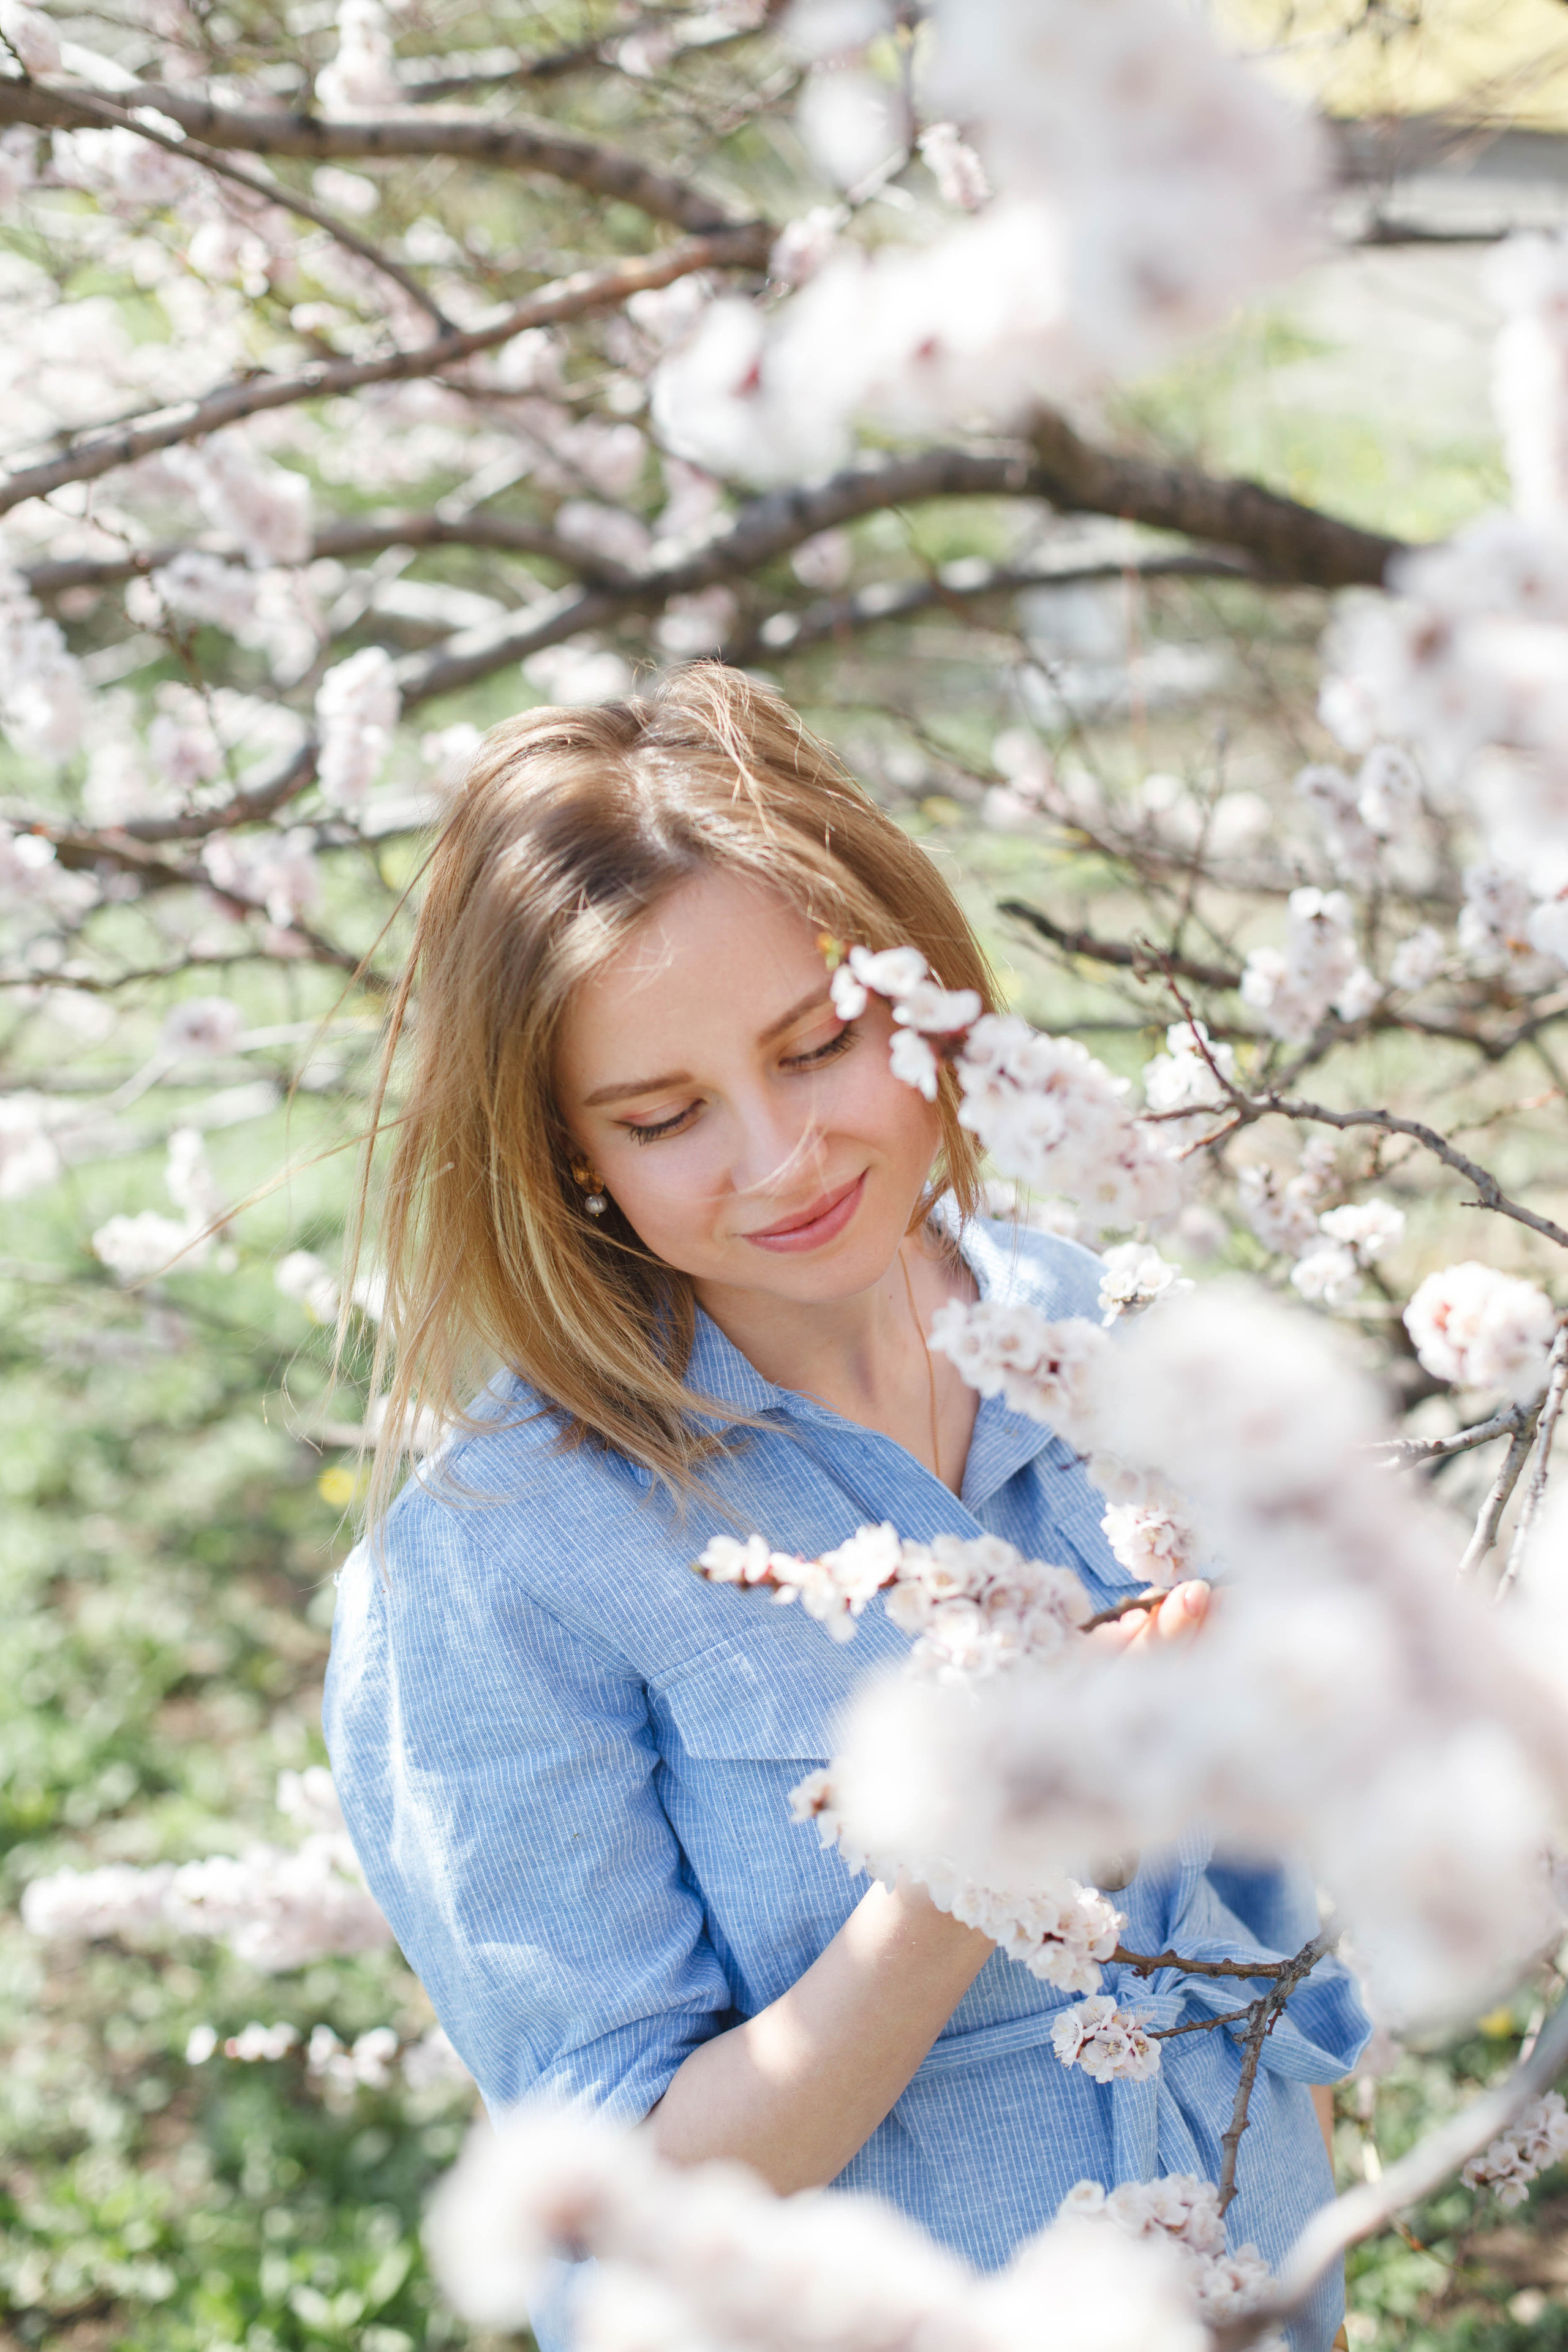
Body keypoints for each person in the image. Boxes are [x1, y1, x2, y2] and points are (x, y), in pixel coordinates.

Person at [323, 665, 1368, 2350]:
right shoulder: (497, 1572)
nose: (782, 1157)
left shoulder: (1105, 1342)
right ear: (570, 1153)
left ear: (919, 989)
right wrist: (969, 1873)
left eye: (817, 1047)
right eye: (663, 1118)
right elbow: (622, 2220)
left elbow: (1261, 1948)